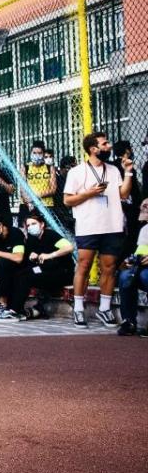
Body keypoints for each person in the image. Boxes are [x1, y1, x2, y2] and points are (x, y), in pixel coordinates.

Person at [63, 131, 135, 328]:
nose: (109, 146)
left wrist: (128, 171)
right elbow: (67, 200)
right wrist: (88, 193)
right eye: (105, 144)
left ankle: (105, 308)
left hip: (112, 225)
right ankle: (78, 308)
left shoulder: (113, 170)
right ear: (93, 149)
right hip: (88, 226)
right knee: (84, 266)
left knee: (109, 268)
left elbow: (123, 193)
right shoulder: (76, 172)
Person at [17, 210, 75, 320]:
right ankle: (17, 308)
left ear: (42, 224)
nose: (30, 227)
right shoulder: (31, 239)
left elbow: (69, 247)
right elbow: (30, 259)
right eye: (28, 225)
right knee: (21, 273)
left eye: (34, 224)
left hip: (63, 272)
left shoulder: (50, 235)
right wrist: (31, 256)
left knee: (28, 277)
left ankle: (18, 309)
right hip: (45, 270)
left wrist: (51, 255)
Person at [116, 202, 148, 336]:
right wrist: (133, 262)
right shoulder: (145, 230)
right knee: (126, 275)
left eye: (147, 204)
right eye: (143, 204)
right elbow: (142, 254)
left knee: (145, 276)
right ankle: (129, 322)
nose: (144, 206)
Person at [20, 141, 57, 222]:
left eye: (39, 153)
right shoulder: (25, 167)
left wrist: (36, 196)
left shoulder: (49, 167)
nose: (36, 155)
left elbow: (53, 189)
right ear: (30, 153)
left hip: (46, 205)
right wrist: (28, 202)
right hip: (27, 205)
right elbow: (22, 188)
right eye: (34, 153)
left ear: (43, 154)